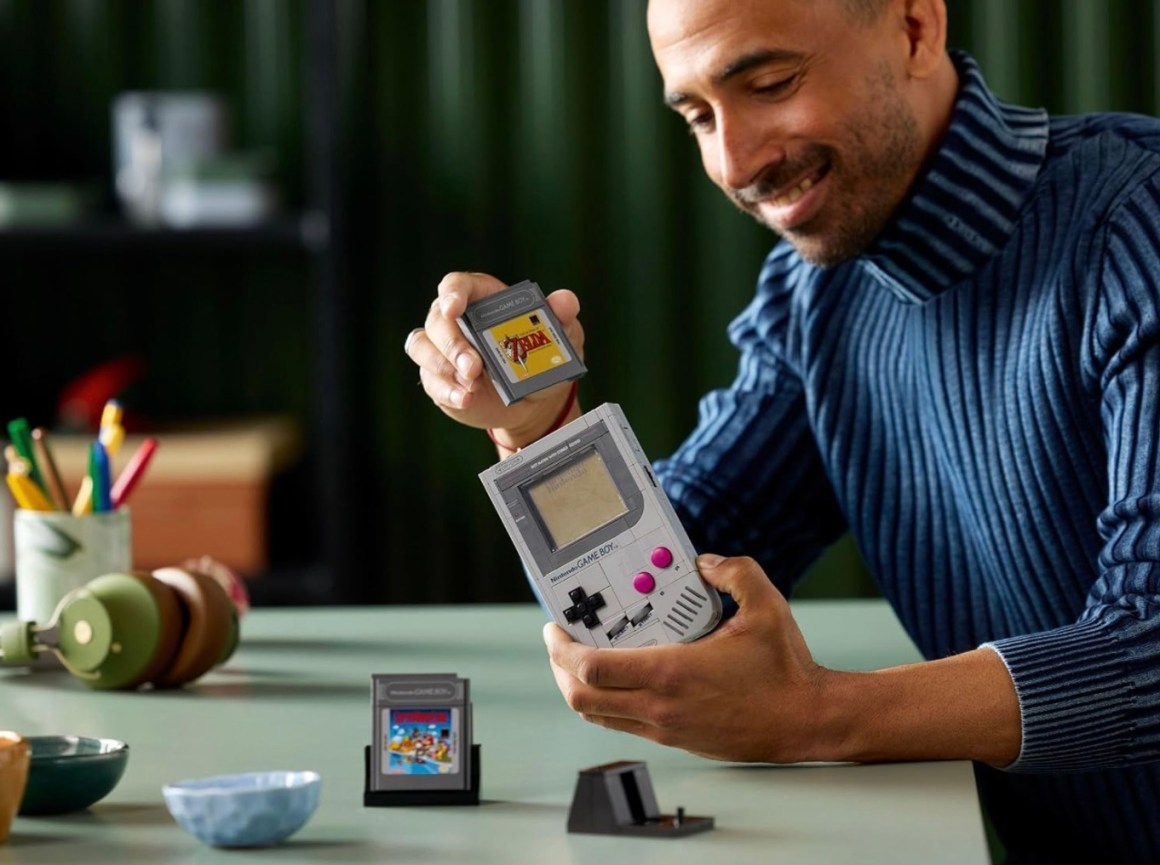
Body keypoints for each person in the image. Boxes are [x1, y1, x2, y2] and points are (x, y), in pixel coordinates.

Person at [405, 0, 1160, 861]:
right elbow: (673, 581)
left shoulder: (1138, 225)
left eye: (770, 83)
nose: (734, 162)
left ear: (916, 27)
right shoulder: (814, 298)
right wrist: (540, 435)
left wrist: (819, 713)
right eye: (696, 115)